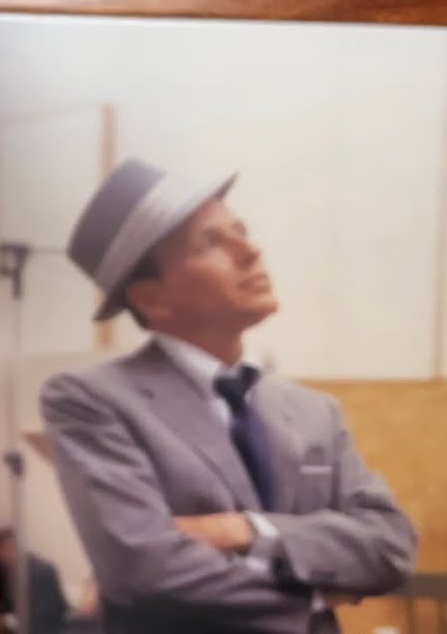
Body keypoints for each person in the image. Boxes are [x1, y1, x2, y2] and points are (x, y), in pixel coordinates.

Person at [41, 158, 417, 634]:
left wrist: (242, 530)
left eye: (242, 232)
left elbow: (391, 545)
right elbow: (144, 572)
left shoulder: (315, 412)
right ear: (151, 298)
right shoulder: (93, 400)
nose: (250, 251)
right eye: (211, 242)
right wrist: (317, 596)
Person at [0, 527, 70, 634]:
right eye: (0, 550)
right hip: (8, 622)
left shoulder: (43, 571)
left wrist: (6, 621)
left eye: (9, 549)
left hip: (44, 624)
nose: (4, 555)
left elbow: (48, 612)